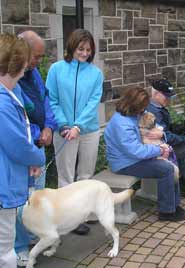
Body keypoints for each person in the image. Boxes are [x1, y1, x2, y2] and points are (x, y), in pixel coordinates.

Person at [46, 29, 104, 235]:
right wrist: (63, 125)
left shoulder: (96, 74)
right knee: (66, 175)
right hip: (63, 131)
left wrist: (78, 126)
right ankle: (66, 219)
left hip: (88, 130)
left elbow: (92, 103)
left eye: (88, 50)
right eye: (81, 48)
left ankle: (84, 213)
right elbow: (51, 100)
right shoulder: (56, 69)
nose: (84, 53)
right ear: (72, 47)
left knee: (86, 175)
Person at [104, 87, 185, 222]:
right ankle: (166, 212)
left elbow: (146, 121)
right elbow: (136, 151)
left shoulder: (131, 114)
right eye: (142, 106)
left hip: (131, 159)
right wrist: (159, 150)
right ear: (134, 105)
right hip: (124, 164)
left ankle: (174, 205)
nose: (144, 109)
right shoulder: (122, 124)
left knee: (170, 166)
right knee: (167, 169)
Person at [0, 33, 45, 268]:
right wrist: (36, 156)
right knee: (4, 251)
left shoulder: (7, 95)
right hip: (2, 189)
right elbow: (17, 145)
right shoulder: (2, 102)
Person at [13, 31, 58, 267]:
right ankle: (19, 247)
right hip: (25, 148)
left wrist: (49, 127)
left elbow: (45, 101)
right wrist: (35, 134)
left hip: (39, 144)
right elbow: (19, 116)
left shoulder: (33, 73)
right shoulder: (11, 77)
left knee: (35, 198)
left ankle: (33, 235)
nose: (38, 62)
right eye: (37, 57)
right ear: (23, 51)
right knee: (21, 201)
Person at [146, 78, 185, 200]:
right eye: (166, 97)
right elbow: (164, 137)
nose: (168, 100)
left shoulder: (157, 106)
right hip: (158, 150)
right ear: (156, 94)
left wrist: (180, 128)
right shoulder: (153, 112)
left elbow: (164, 131)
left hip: (162, 147)